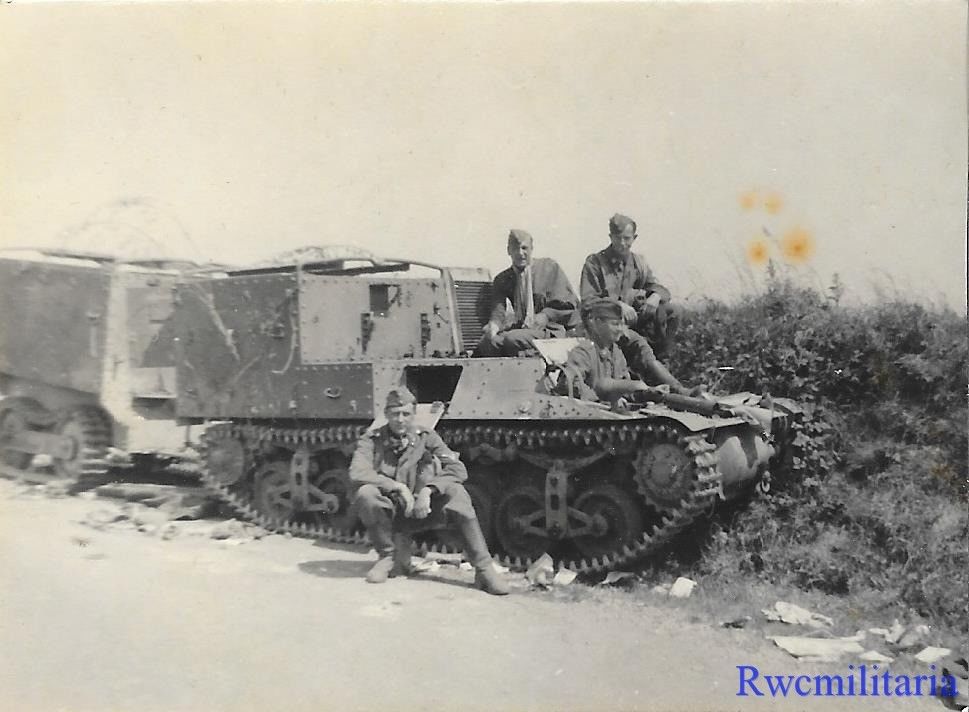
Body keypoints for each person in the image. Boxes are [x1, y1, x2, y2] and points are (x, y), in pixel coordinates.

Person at [348, 387, 510, 595]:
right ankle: (386, 557)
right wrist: (396, 487)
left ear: (414, 414)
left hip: (423, 509)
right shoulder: (371, 439)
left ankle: (484, 568)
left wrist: (428, 490)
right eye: (395, 414)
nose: (400, 419)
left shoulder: (426, 437)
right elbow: (358, 472)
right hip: (393, 513)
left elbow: (457, 468)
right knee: (366, 493)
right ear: (386, 414)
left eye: (406, 414)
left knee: (457, 494)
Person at [580, 213, 682, 366]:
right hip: (608, 323)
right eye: (617, 238)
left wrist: (655, 296)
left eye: (627, 238)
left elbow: (656, 287)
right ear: (610, 237)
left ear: (634, 238)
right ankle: (653, 368)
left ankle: (664, 360)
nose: (622, 243)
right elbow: (588, 301)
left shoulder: (638, 263)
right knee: (639, 345)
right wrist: (617, 305)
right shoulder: (595, 263)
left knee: (673, 311)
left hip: (635, 319)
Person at [474, 229, 580, 357]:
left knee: (512, 339)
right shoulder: (503, 279)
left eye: (524, 248)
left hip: (549, 329)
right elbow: (498, 310)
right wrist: (494, 325)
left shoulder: (549, 267)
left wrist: (546, 315)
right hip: (523, 328)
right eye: (515, 248)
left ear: (531, 249)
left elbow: (567, 302)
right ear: (508, 250)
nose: (520, 253)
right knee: (488, 342)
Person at [564, 297, 685, 406]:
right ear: (597, 323)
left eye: (622, 325)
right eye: (615, 324)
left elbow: (624, 388)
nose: (620, 330)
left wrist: (648, 392)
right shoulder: (583, 352)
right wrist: (599, 401)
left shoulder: (616, 353)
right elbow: (570, 384)